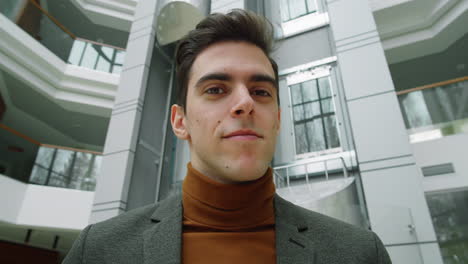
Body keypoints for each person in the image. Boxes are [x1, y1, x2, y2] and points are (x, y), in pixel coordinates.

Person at [63, 9, 392, 264]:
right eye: (216, 89)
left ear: (277, 120)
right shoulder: (100, 250)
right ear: (180, 122)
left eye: (261, 91)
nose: (245, 103)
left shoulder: (361, 253)